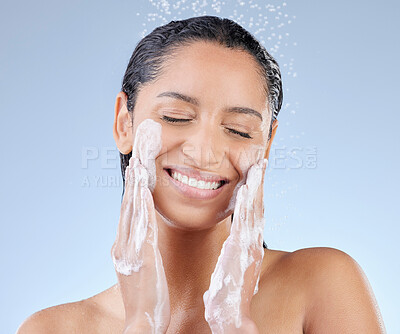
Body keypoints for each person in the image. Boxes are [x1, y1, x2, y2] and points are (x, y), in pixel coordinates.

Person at [17, 16, 386, 334]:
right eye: (176, 117)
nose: (205, 152)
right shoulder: (53, 328)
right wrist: (142, 324)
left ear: (268, 144)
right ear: (124, 122)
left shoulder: (322, 284)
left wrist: (234, 324)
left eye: (239, 129)